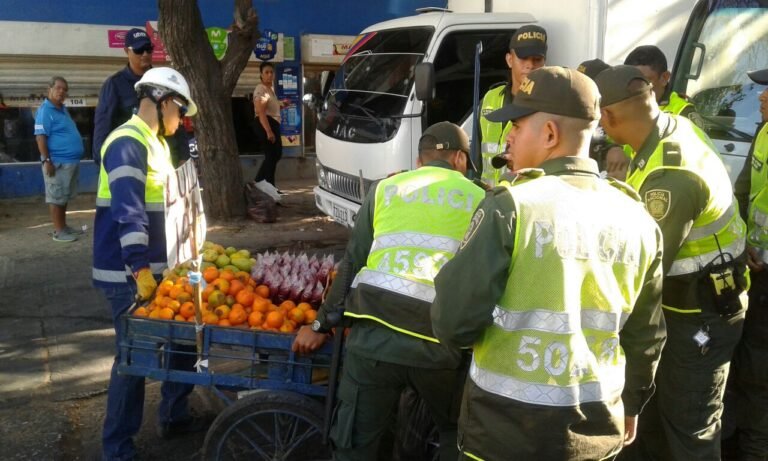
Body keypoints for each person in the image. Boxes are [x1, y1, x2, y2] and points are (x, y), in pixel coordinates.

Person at [431, 66, 667, 461]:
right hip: (596, 432)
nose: (508, 137)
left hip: (504, 432)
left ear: (550, 135)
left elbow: (454, 323)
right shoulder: (638, 217)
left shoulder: (512, 205)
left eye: (517, 126)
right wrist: (633, 403)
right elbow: (646, 334)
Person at [292, 121, 485, 460]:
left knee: (356, 444)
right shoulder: (482, 197)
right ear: (459, 159)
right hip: (439, 344)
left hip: (374, 339)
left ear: (420, 161)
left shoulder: (385, 189)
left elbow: (351, 262)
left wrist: (321, 325)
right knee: (455, 431)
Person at [595, 65, 749, 461]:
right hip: (685, 309)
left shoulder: (671, 176)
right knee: (659, 425)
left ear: (609, 118)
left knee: (690, 430)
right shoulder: (668, 129)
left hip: (699, 317)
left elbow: (645, 270)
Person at [92, 67, 204, 461]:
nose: (182, 119)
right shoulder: (127, 142)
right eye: (180, 109)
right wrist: (140, 271)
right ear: (162, 101)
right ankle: (117, 449)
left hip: (159, 270)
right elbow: (129, 214)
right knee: (133, 357)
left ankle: (173, 415)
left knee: (182, 338)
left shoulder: (154, 143)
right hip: (127, 274)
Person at [726, 67, 768, 460]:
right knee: (751, 364)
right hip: (758, 270)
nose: (761, 97)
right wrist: (742, 244)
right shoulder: (763, 131)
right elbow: (743, 192)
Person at [478, 24, 547, 187]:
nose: (530, 65)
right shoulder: (490, 98)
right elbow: (477, 154)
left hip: (525, 199)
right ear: (509, 60)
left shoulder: (549, 104)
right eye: (523, 58)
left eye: (537, 59)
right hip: (489, 196)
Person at [34, 76, 85, 242]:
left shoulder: (62, 109)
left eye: (64, 89)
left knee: (63, 197)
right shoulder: (45, 110)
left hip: (68, 163)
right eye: (58, 88)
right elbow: (40, 138)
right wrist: (47, 160)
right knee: (56, 198)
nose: (61, 92)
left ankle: (63, 227)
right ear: (49, 89)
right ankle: (58, 231)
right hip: (57, 163)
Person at [93, 28, 153, 165]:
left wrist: (182, 157)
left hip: (159, 163)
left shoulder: (161, 81)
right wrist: (102, 162)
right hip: (128, 161)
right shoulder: (114, 85)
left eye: (148, 49)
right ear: (127, 51)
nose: (145, 54)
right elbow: (103, 128)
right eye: (139, 49)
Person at [624, 45, 704, 126]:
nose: (636, 88)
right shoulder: (619, 106)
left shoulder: (683, 113)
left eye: (644, 81)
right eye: (631, 81)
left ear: (664, 78)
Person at [252, 61, 283, 191]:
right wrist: (269, 131)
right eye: (266, 72)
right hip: (266, 123)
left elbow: (270, 107)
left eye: (271, 72)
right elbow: (261, 112)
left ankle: (266, 186)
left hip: (272, 123)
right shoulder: (261, 88)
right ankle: (261, 184)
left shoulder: (270, 89)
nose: (270, 75)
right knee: (272, 156)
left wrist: (281, 104)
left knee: (275, 155)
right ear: (261, 75)